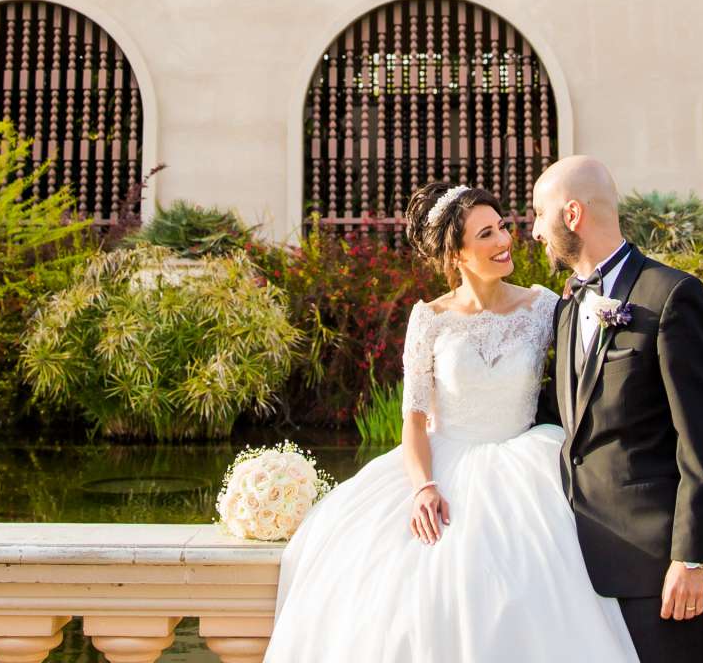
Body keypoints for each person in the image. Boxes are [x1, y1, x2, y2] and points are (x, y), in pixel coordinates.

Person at [265, 179, 641, 663]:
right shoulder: (429, 319)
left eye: (502, 227)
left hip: (527, 466)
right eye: (486, 234)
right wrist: (423, 486)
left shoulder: (545, 305)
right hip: (445, 463)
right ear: (456, 254)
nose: (504, 241)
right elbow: (415, 419)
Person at [532, 155, 703, 663]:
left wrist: (692, 558)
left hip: (656, 570)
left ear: (571, 215)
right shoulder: (567, 306)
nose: (534, 230)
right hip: (576, 570)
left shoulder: (671, 296)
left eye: (539, 213)